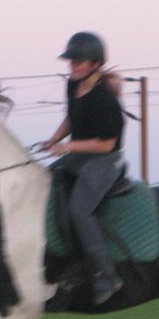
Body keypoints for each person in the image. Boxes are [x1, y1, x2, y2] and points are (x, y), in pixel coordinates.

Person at [43, 31, 126, 305]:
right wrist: (55, 137)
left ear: (95, 63)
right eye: (71, 61)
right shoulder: (72, 85)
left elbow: (106, 145)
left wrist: (67, 147)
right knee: (46, 185)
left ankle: (107, 275)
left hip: (104, 161)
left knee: (80, 210)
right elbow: (71, 115)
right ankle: (64, 263)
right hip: (79, 156)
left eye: (79, 61)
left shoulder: (105, 99)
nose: (73, 65)